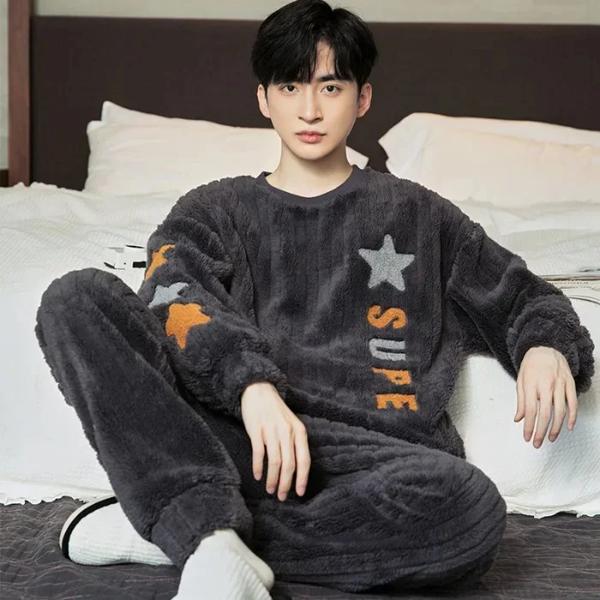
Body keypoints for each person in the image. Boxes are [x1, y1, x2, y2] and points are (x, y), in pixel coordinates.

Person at [34, 1, 595, 599]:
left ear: (362, 98)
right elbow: (175, 297)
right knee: (75, 298)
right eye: (290, 86)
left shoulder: (418, 214)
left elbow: (525, 295)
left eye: (330, 87)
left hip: (381, 459)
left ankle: (190, 530)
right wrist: (251, 387)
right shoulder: (213, 209)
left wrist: (543, 345)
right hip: (238, 437)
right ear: (263, 99)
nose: (309, 109)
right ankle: (204, 528)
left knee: (472, 508)